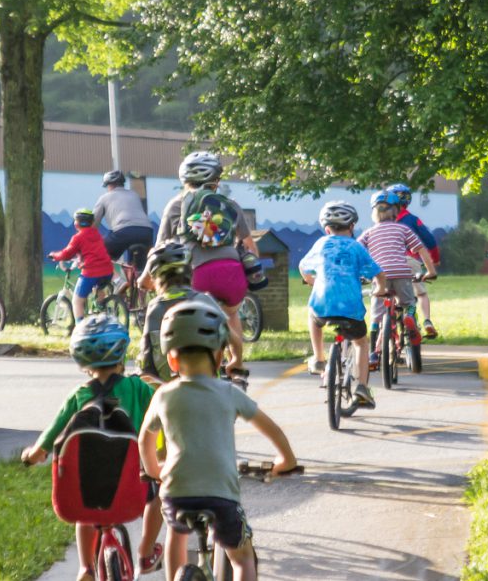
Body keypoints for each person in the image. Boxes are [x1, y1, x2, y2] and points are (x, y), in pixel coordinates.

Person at [138, 300, 297, 581]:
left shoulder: (163, 395)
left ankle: (175, 576)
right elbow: (270, 428)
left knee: (176, 531)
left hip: (176, 491)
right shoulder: (229, 392)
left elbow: (145, 439)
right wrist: (286, 460)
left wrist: (154, 470)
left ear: (171, 360)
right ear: (221, 355)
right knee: (243, 558)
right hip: (220, 494)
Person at [21, 315, 165, 581]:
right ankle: (146, 551)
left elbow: (50, 437)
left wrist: (32, 455)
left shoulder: (78, 396)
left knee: (85, 513)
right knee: (159, 496)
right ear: (121, 352)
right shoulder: (137, 387)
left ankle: (86, 567)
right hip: (132, 484)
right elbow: (162, 414)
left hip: (89, 484)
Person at [155, 151, 258, 385]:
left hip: (196, 274)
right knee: (231, 315)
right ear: (217, 180)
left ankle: (185, 367)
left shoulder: (175, 205)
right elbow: (249, 245)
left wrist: (146, 278)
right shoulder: (230, 205)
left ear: (183, 179)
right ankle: (237, 363)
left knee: (183, 314)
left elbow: (160, 246)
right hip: (231, 273)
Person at [299, 201, 386, 408]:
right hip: (350, 307)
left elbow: (304, 267)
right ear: (352, 227)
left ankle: (319, 358)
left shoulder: (321, 244)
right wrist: (380, 289)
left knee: (313, 315)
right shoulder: (356, 247)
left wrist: (312, 281)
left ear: (326, 229)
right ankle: (361, 388)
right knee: (361, 343)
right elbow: (378, 273)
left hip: (323, 304)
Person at [358, 191, 437, 369]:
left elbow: (356, 250)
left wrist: (359, 274)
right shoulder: (403, 229)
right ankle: (409, 317)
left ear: (374, 212)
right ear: (396, 212)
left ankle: (374, 353)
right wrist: (430, 271)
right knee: (408, 302)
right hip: (401, 274)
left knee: (377, 317)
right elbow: (421, 250)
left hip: (380, 276)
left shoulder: (369, 232)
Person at [137, 240, 223, 384]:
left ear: (156, 279)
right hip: (209, 384)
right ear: (190, 272)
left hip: (166, 389)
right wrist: (236, 361)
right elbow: (231, 338)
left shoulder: (154, 307)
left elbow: (146, 357)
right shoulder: (206, 300)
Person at [386, 183, 441, 338]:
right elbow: (430, 241)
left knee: (392, 295)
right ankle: (427, 321)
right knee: (420, 293)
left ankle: (389, 332)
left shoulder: (383, 223)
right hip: (411, 262)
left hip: (387, 264)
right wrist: (435, 260)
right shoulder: (413, 220)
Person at [49, 209, 115, 322]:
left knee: (77, 301)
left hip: (91, 273)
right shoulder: (97, 234)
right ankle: (102, 311)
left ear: (76, 223)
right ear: (92, 222)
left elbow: (67, 253)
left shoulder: (78, 237)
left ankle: (80, 327)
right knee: (99, 289)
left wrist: (55, 255)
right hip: (108, 271)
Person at [94, 170, 153, 268]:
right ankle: (136, 279)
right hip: (146, 232)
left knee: (100, 256)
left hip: (124, 231)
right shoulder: (134, 194)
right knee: (139, 267)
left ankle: (114, 280)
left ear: (109, 185)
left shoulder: (104, 198)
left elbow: (93, 224)